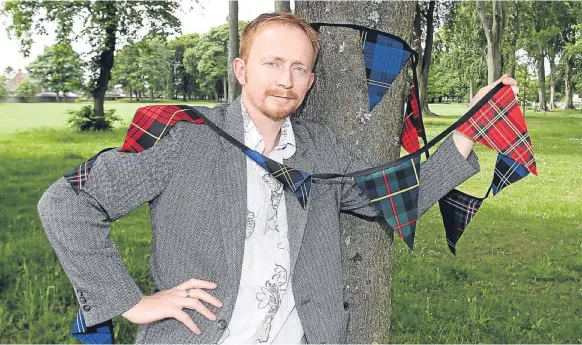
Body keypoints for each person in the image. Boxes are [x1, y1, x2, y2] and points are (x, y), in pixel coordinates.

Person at [38, 12, 518, 344]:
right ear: (242, 70)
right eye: (272, 63)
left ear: (311, 80)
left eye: (299, 68)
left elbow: (389, 200)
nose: (285, 79)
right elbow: (66, 203)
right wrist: (130, 301)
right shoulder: (184, 139)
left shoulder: (320, 150)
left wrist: (470, 128)